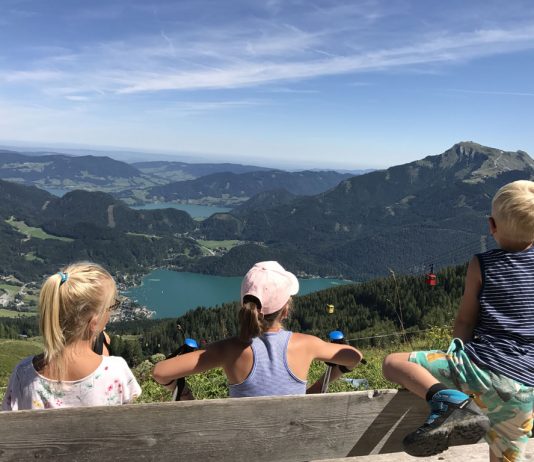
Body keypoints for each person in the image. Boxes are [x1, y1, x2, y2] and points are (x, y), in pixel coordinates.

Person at [382, 180, 534, 462]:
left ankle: (447, 400)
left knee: (393, 362)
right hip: (524, 388)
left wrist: (456, 356)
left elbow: (465, 320)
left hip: (477, 370)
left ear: (492, 225)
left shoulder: (482, 264)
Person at [153, 261, 363, 397]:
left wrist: (185, 394)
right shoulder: (307, 344)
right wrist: (315, 390)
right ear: (286, 311)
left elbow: (160, 372)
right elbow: (354, 357)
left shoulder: (229, 350)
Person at [2, 262, 141, 410]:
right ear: (94, 322)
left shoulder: (23, 374)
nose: (111, 314)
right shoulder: (116, 370)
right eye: (111, 307)